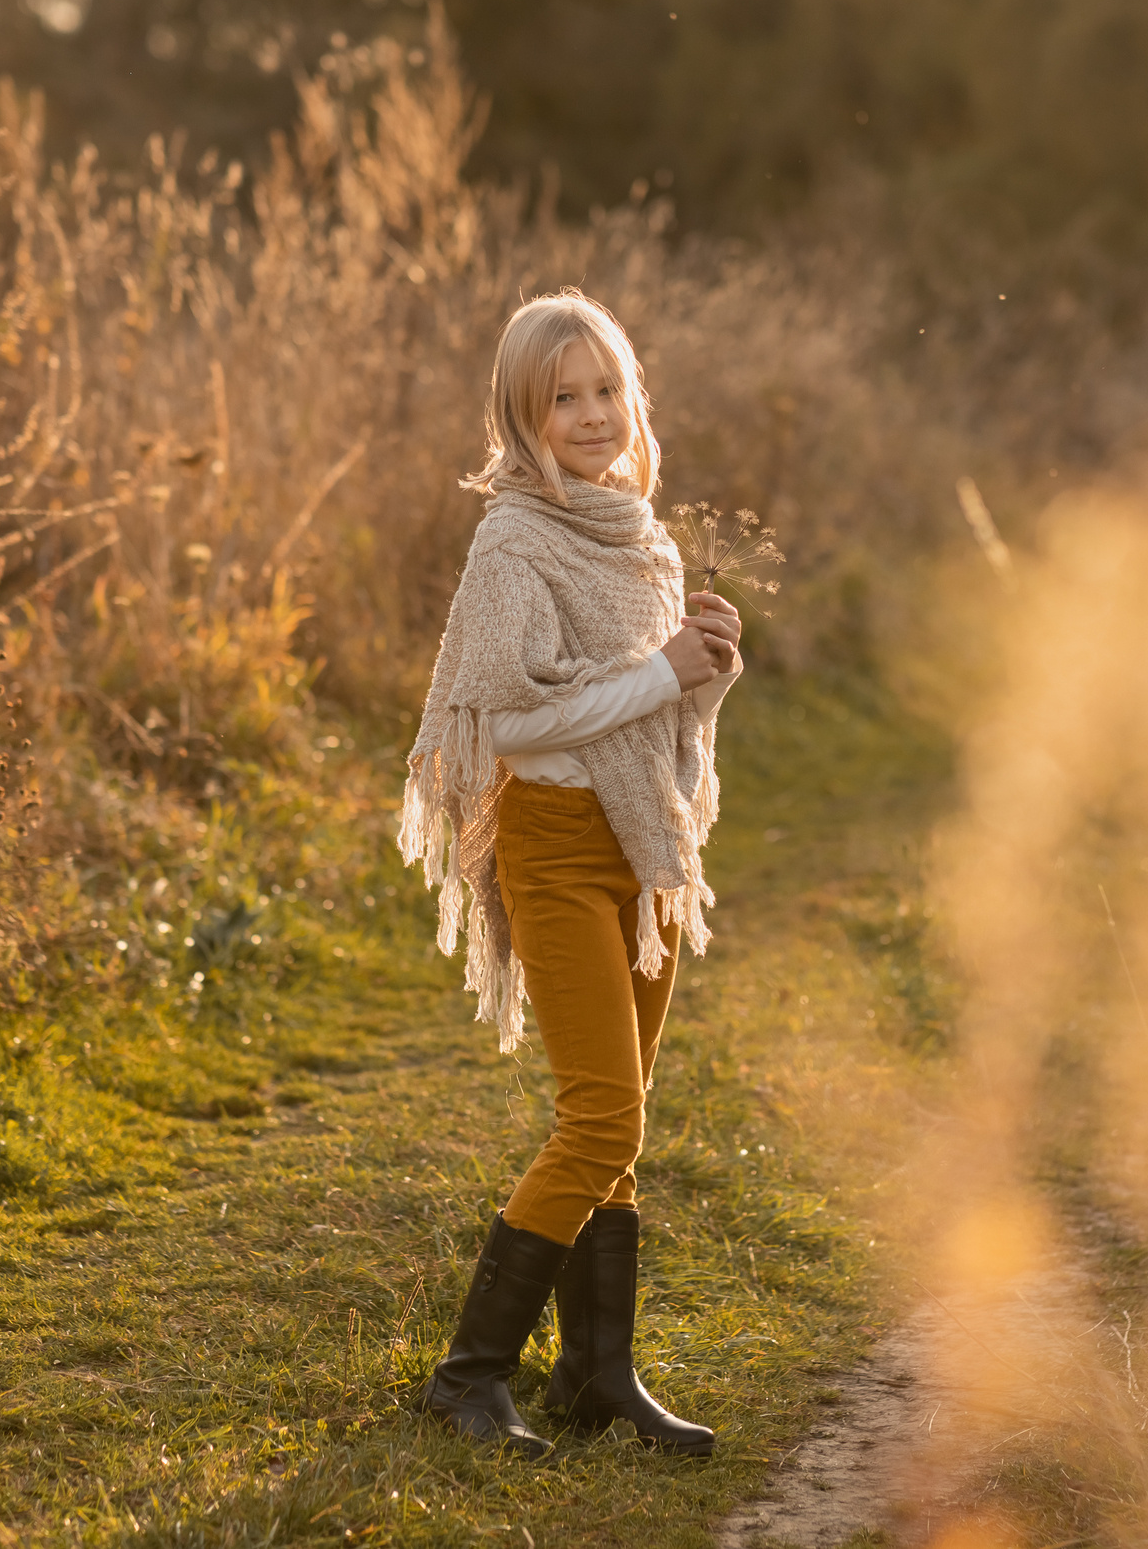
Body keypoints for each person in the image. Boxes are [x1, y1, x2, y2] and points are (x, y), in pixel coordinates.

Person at [397, 289, 742, 1460]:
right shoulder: (515, 540)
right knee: (599, 1113)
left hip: (642, 852)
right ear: (521, 413)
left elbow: (654, 713)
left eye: (606, 390)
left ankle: (597, 1375)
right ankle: (467, 1373)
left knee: (623, 1125)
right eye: (564, 397)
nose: (592, 414)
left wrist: (706, 673)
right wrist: (659, 671)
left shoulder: (640, 533)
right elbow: (517, 723)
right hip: (550, 842)